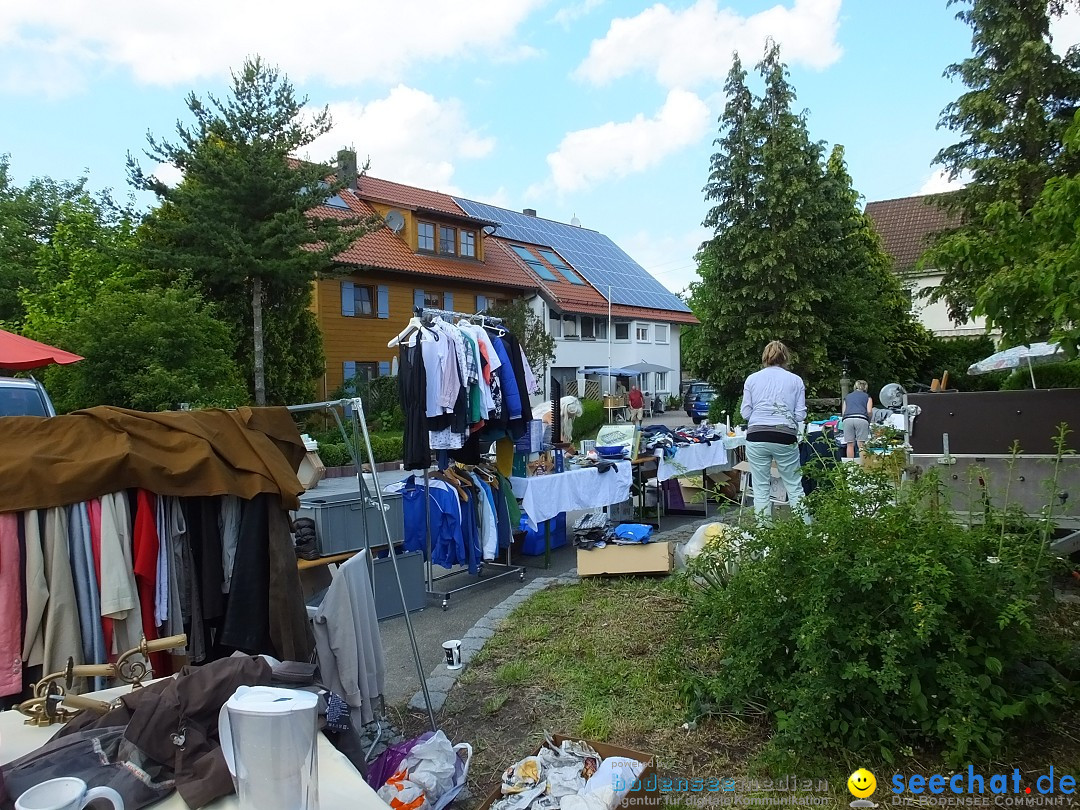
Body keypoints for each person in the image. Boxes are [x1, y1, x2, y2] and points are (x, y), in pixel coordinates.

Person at [740, 340, 810, 523]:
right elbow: (801, 415)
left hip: (757, 435)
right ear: (785, 357)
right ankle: (807, 531)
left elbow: (745, 412)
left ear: (765, 357)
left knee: (761, 487)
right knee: (794, 486)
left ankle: (765, 538)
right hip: (784, 435)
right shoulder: (796, 380)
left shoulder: (752, 379)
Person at [842, 379, 873, 460]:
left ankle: (850, 466)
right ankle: (863, 465)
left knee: (850, 444)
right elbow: (869, 411)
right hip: (861, 419)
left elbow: (843, 412)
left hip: (847, 419)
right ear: (865, 387)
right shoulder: (867, 397)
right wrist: (869, 421)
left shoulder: (847, 396)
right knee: (861, 444)